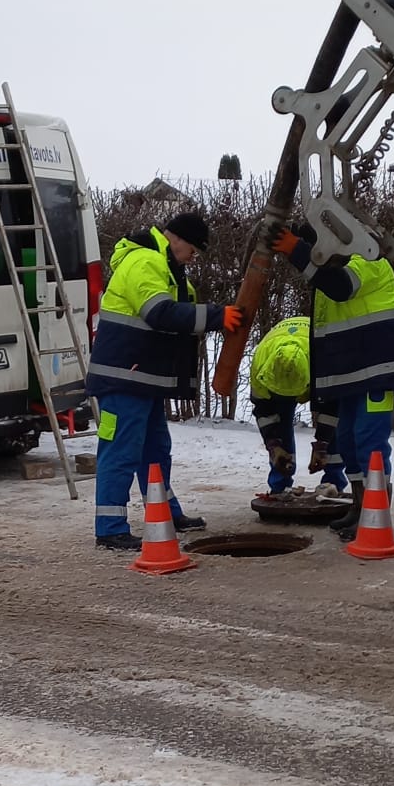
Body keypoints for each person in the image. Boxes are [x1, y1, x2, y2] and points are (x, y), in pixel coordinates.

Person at [87, 210, 241, 551]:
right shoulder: (145, 261)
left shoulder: (168, 269)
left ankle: (165, 511)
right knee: (121, 451)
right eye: (194, 249)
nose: (194, 256)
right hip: (124, 379)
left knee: (156, 451)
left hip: (143, 379)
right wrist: (218, 316)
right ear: (177, 239)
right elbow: (160, 313)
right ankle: (110, 527)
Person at [265, 219, 394, 541]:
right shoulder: (341, 265)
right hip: (352, 375)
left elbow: (340, 286)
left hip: (377, 372)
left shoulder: (368, 259)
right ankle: (362, 507)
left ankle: (375, 514)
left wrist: (296, 250)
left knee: (369, 443)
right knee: (348, 441)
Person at [247, 316, 349, 500]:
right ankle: (280, 484)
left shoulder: (325, 357)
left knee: (336, 426)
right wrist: (273, 444)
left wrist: (322, 445)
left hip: (314, 360)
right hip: (286, 359)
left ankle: (333, 483)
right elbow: (264, 413)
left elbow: (332, 410)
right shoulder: (260, 365)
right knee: (279, 426)